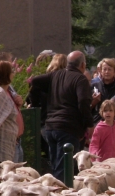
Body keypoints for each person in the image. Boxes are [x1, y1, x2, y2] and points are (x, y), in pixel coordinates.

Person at [29, 51, 94, 180]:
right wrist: (89, 124)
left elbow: (34, 81)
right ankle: (60, 195)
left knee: (56, 166)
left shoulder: (55, 75)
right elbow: (83, 102)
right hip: (68, 127)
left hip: (51, 127)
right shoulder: (80, 79)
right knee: (64, 169)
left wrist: (34, 104)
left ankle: (55, 193)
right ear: (82, 65)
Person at [91, 58, 115, 123]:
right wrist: (94, 101)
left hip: (114, 124)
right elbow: (87, 108)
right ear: (100, 71)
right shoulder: (94, 86)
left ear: (114, 71)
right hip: (98, 123)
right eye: (104, 69)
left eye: (109, 69)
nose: (107, 72)